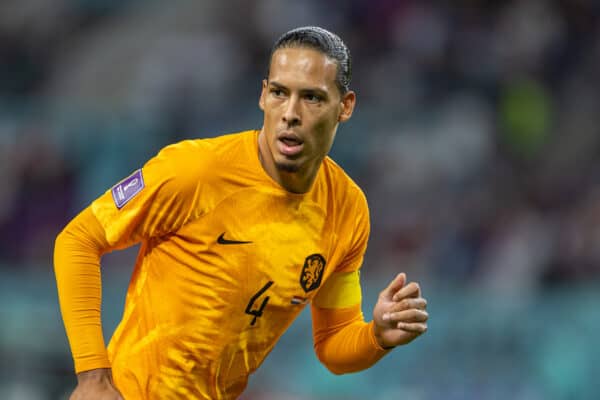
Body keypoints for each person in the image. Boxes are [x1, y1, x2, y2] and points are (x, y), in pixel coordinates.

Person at [54, 26, 429, 400]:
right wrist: (92, 377)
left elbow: (334, 342)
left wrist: (377, 336)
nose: (290, 114)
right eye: (280, 93)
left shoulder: (347, 209)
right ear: (263, 96)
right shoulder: (196, 170)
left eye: (312, 98)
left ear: (344, 107)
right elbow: (77, 240)